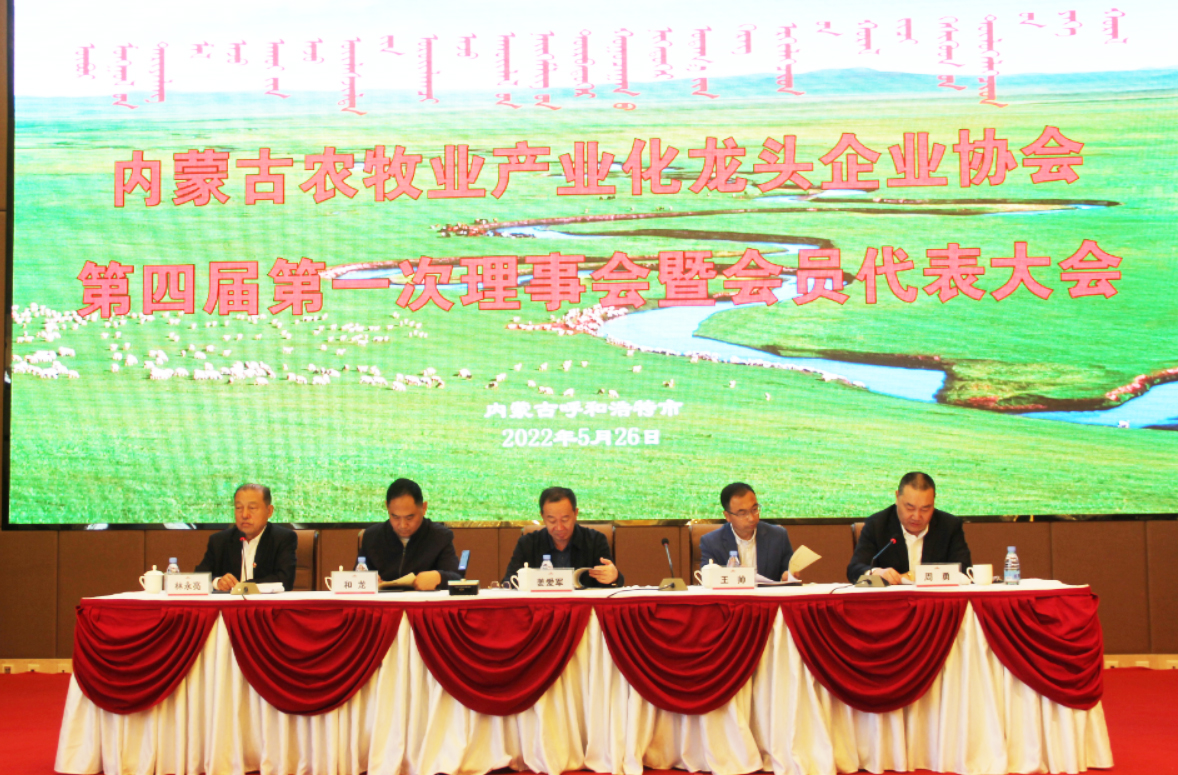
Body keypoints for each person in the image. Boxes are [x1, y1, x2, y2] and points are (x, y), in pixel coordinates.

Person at [847, 471, 972, 584]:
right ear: (897, 497)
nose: (917, 516)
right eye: (910, 508)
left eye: (925, 509)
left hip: (935, 600)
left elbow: (965, 571)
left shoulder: (949, 526)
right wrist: (876, 573)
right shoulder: (877, 525)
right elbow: (854, 571)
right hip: (893, 600)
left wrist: (922, 576)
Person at [501, 486, 623, 587]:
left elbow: (609, 584)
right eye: (552, 521)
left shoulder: (595, 541)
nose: (559, 527)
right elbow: (509, 582)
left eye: (565, 519)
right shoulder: (528, 543)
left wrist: (614, 577)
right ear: (542, 516)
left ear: (575, 513)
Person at [360, 478, 461, 591]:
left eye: (410, 517)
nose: (403, 525)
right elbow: (356, 576)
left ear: (424, 508)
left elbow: (457, 578)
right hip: (382, 602)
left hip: (424, 601)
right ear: (387, 507)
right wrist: (365, 579)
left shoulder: (440, 537)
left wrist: (439, 578)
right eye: (395, 517)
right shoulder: (372, 537)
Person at [196, 484, 298, 592]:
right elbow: (198, 578)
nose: (244, 515)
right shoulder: (219, 541)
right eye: (239, 508)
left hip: (266, 602)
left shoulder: (283, 539)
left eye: (252, 508)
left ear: (269, 511)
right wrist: (218, 582)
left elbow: (285, 581)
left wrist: (243, 586)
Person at [699, 482, 795, 581]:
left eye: (754, 509)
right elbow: (708, 580)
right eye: (742, 513)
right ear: (727, 516)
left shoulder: (778, 536)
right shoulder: (711, 543)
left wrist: (789, 577)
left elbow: (788, 574)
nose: (752, 518)